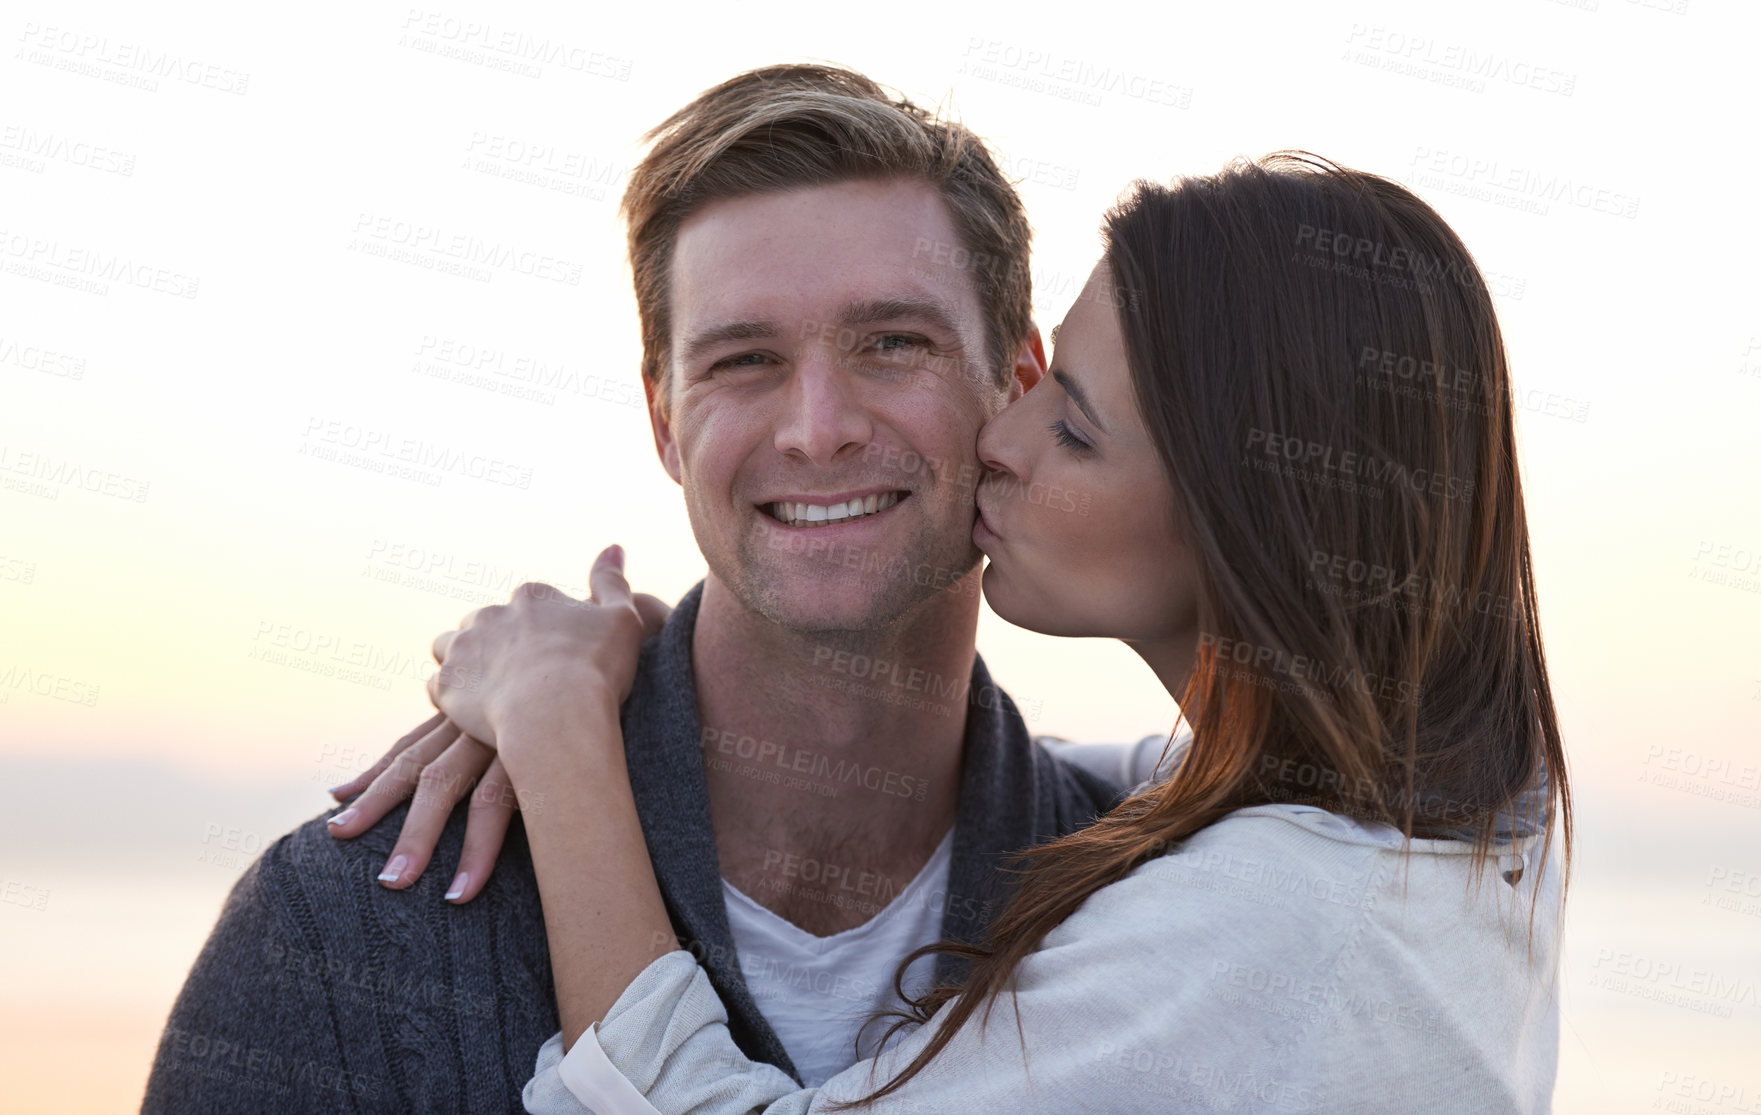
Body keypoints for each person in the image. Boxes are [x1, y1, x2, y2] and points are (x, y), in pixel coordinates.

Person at [411, 155, 1571, 1113]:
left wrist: (558, 727)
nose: (1003, 438)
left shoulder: (1269, 923)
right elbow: (1191, 789)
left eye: (1071, 424)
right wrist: (680, 694)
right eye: (747, 359)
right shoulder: (1465, 826)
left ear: (1247, 515)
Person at [140, 64, 1145, 1112]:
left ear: (1019, 385)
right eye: (745, 359)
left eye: (892, 343)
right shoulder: (347, 934)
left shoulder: (1160, 901)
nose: (817, 426)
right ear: (664, 420)